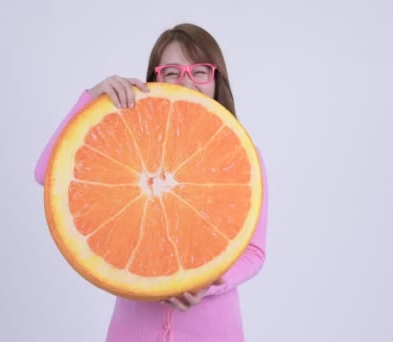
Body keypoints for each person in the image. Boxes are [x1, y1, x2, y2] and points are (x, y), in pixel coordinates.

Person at [34, 23, 268, 342]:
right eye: (172, 71)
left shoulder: (241, 158)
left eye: (200, 70)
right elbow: (46, 175)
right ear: (155, 79)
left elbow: (253, 251)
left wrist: (213, 282)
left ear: (216, 79)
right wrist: (90, 100)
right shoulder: (128, 149)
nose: (186, 82)